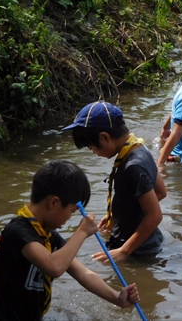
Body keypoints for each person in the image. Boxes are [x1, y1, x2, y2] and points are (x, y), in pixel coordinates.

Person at [0, 160, 140, 321]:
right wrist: (81, 232)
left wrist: (117, 298)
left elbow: (83, 274)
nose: (69, 218)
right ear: (53, 203)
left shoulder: (47, 235)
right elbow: (54, 267)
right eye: (71, 211)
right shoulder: (18, 231)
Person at [63, 101, 166, 262]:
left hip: (137, 251)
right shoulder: (139, 148)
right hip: (148, 241)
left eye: (92, 148)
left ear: (105, 137)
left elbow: (155, 215)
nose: (95, 153)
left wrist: (124, 251)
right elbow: (161, 191)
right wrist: (120, 215)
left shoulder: (133, 167)